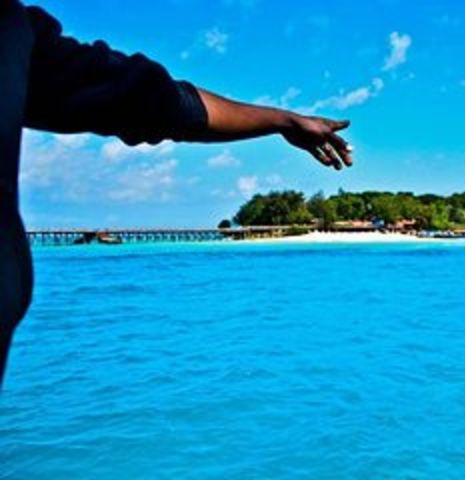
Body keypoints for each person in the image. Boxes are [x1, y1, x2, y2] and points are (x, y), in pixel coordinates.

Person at [0, 0, 353, 386]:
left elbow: (149, 98)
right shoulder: (14, 31)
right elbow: (149, 99)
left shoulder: (16, 33)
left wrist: (282, 120)